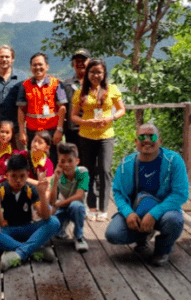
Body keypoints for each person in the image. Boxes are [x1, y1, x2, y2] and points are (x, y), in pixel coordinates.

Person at [105, 124, 188, 266]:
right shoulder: (126, 164)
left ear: (160, 141)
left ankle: (162, 250)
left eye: (152, 136)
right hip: (136, 211)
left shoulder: (173, 160)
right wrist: (128, 213)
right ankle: (143, 237)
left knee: (174, 220)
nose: (147, 140)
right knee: (113, 234)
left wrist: (154, 214)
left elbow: (180, 194)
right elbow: (118, 192)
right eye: (142, 137)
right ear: (136, 141)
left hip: (165, 212)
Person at [0, 154, 60, 271]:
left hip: (27, 228)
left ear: (27, 175)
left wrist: (42, 194)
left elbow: (45, 216)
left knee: (54, 222)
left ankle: (18, 253)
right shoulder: (1, 190)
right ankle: (34, 251)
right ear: (7, 175)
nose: (18, 180)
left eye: (22, 176)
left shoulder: (30, 189)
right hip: (8, 230)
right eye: (13, 176)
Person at [71, 58, 126, 221]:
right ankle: (91, 206)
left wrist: (110, 118)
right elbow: (73, 116)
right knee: (87, 171)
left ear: (104, 73)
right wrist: (86, 122)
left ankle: (103, 207)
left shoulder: (112, 89)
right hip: (86, 136)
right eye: (92, 72)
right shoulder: (80, 92)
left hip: (106, 136)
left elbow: (122, 109)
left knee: (104, 170)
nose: (95, 75)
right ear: (87, 73)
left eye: (99, 72)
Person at [17, 52, 67, 166]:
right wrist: (22, 131)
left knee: (52, 161)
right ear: (30, 67)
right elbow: (21, 110)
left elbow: (62, 108)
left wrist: (59, 130)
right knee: (34, 162)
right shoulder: (25, 85)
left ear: (47, 66)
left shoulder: (56, 84)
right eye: (34, 65)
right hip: (32, 131)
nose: (37, 67)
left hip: (51, 131)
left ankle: (52, 183)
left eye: (40, 64)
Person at [0, 45, 28, 149]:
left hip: (16, 129)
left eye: (7, 57)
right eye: (1, 56)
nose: (4, 59)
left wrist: (23, 129)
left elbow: (26, 104)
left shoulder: (23, 78)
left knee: (18, 161)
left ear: (12, 59)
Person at [50, 143, 89, 252]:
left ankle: (79, 237)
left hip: (75, 207)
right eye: (62, 161)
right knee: (53, 229)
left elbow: (79, 196)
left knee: (76, 206)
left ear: (77, 161)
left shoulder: (82, 172)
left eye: (70, 161)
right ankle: (62, 229)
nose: (66, 164)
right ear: (58, 162)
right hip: (62, 208)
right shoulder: (58, 176)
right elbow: (51, 201)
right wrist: (55, 181)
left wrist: (58, 204)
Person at [63, 49, 91, 147]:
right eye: (77, 61)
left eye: (83, 61)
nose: (80, 64)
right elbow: (63, 107)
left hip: (91, 129)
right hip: (72, 130)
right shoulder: (66, 83)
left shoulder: (95, 82)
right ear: (73, 64)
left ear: (90, 62)